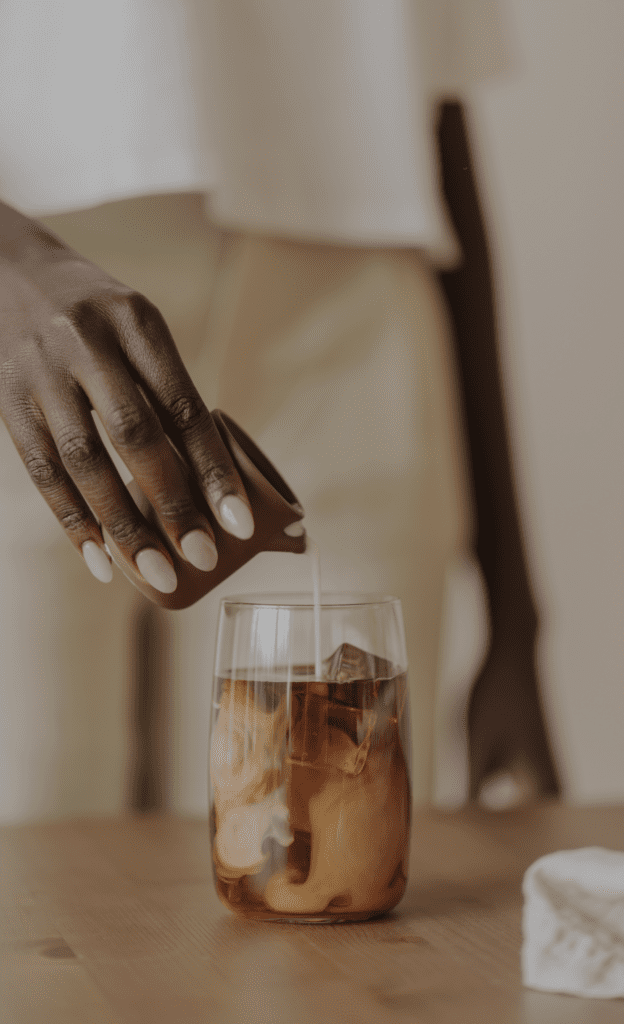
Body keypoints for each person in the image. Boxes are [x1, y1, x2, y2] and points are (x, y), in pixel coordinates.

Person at [0, 0, 557, 818]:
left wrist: (515, 624)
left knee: (332, 848)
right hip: (40, 323)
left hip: (347, 308)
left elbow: (430, 103)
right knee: (29, 859)